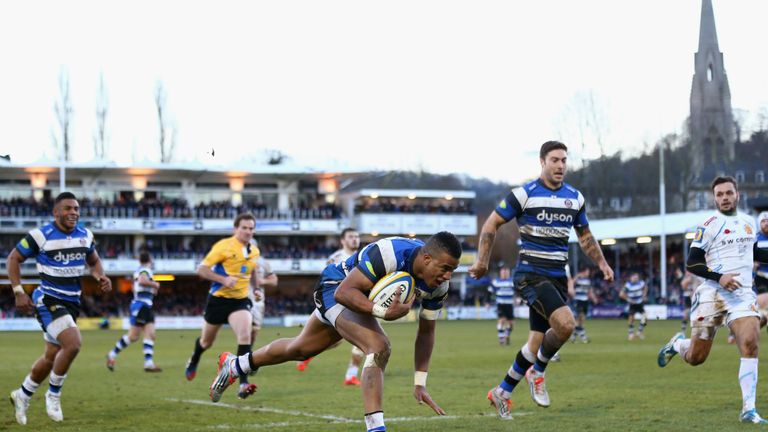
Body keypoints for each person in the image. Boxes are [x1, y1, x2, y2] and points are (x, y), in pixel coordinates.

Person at [208, 232, 461, 432]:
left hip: (360, 299)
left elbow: (427, 332)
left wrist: (420, 383)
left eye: (453, 270)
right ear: (427, 259)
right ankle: (376, 428)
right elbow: (344, 293)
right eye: (445, 268)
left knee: (300, 349)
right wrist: (382, 312)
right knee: (379, 346)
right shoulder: (389, 253)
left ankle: (237, 365)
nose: (448, 276)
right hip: (335, 287)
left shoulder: (439, 286)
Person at [469, 141, 614, 420]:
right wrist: (482, 261)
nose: (560, 165)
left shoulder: (575, 197)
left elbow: (585, 236)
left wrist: (602, 263)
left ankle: (503, 391)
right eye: (555, 160)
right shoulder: (524, 195)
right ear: (542, 162)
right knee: (566, 324)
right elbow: (491, 223)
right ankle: (538, 370)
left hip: (558, 277)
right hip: (531, 274)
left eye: (564, 161)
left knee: (536, 341)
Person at [658, 176, 768, 424]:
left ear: (737, 194)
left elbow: (754, 252)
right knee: (696, 358)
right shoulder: (709, 224)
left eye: (729, 193)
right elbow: (692, 262)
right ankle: (678, 345)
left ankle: (748, 410)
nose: (725, 198)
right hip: (712, 294)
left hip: (742, 294)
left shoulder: (748, 222)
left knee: (750, 341)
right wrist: (720, 277)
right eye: (719, 194)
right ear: (714, 198)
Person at [7, 192, 112, 425]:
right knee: (73, 344)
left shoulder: (85, 235)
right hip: (48, 298)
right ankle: (53, 395)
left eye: (76, 208)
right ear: (56, 212)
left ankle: (22, 394)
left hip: (72, 302)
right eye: (67, 208)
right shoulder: (40, 235)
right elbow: (13, 258)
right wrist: (18, 291)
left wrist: (100, 276)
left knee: (51, 356)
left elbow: (93, 261)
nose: (73, 212)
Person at [184, 213, 260, 400]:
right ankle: (194, 359)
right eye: (244, 227)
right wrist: (223, 279)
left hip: (240, 301)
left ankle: (243, 382)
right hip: (218, 300)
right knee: (206, 342)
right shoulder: (223, 246)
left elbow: (254, 270)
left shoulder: (254, 250)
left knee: (245, 335)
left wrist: (256, 288)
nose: (248, 231)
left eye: (251, 228)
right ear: (236, 229)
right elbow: (201, 269)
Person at [296, 227, 366, 388]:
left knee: (360, 341)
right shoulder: (336, 258)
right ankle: (308, 353)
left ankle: (350, 376)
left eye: (356, 236)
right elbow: (326, 282)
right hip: (338, 304)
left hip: (357, 302)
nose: (355, 239)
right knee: (334, 342)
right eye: (351, 236)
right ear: (343, 240)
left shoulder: (363, 257)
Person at [106, 251, 162, 372]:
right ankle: (112, 354)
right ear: (150, 260)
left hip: (145, 305)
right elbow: (142, 280)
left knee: (150, 334)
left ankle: (148, 363)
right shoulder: (145, 270)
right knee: (133, 336)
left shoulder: (140, 270)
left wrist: (151, 289)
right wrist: (155, 285)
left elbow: (136, 286)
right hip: (141, 305)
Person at [249, 251, 277, 357]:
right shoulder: (237, 258)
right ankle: (242, 358)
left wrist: (262, 281)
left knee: (254, 332)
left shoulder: (263, 262)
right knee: (245, 327)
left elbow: (274, 281)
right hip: (242, 297)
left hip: (257, 301)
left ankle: (246, 356)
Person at [488, 267, 516, 345]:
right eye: (503, 272)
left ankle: (506, 334)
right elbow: (489, 292)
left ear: (508, 273)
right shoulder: (496, 282)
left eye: (506, 272)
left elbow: (518, 291)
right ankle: (501, 339)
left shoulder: (512, 281)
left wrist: (518, 298)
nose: (504, 273)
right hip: (500, 304)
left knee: (511, 324)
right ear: (500, 273)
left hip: (509, 305)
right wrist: (487, 302)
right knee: (502, 320)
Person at [570, 267, 595, 343]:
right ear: (583, 271)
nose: (588, 273)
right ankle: (583, 337)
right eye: (587, 271)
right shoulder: (578, 279)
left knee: (582, 319)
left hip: (585, 300)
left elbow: (589, 290)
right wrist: (577, 276)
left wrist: (593, 298)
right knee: (578, 318)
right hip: (578, 300)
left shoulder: (588, 280)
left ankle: (573, 337)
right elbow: (571, 283)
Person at [620, 272, 648, 341]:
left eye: (637, 278)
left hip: (639, 303)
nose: (636, 279)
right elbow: (621, 294)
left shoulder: (641, 283)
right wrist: (629, 299)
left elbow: (645, 287)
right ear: (631, 278)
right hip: (632, 304)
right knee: (631, 318)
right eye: (635, 278)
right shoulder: (628, 285)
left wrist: (644, 295)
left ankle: (639, 332)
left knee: (645, 317)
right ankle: (631, 334)